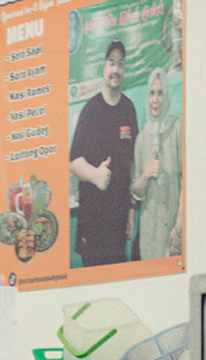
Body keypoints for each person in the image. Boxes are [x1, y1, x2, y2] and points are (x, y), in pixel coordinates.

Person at [68, 39, 140, 269]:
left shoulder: (129, 109)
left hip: (118, 220)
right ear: (104, 67)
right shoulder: (90, 110)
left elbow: (133, 163)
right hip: (92, 221)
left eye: (120, 64)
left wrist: (131, 210)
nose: (115, 69)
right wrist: (94, 175)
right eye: (111, 63)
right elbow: (73, 161)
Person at [130, 68, 182, 261]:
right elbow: (136, 191)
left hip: (173, 229)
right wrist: (146, 174)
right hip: (149, 234)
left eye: (160, 93)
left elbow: (186, 181)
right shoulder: (141, 139)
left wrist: (179, 227)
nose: (155, 100)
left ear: (166, 95)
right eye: (152, 93)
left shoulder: (177, 128)